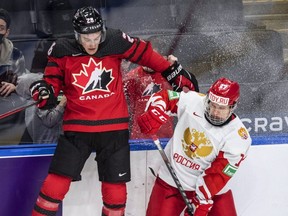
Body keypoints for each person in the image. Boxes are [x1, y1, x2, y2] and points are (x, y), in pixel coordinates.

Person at [29, 6, 198, 216]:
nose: (92, 43)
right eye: (86, 38)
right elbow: (51, 84)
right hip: (77, 129)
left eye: (96, 37)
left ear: (102, 31)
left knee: (115, 194)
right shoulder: (62, 50)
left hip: (114, 130)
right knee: (55, 184)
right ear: (76, 35)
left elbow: (145, 54)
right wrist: (44, 93)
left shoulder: (116, 41)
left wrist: (170, 69)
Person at [137, 77, 252, 216]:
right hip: (172, 182)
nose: (215, 112)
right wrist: (155, 111)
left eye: (221, 108)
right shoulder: (193, 101)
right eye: (212, 105)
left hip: (212, 191)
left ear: (232, 106)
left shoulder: (238, 137)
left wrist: (201, 199)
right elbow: (165, 97)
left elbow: (218, 174)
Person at [16, 73, 66, 144]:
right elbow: (49, 120)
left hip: (45, 144)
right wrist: (61, 105)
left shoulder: (29, 102)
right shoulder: (38, 101)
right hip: (47, 145)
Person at [0, 8, 27, 97]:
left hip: (7, 106)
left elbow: (23, 83)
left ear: (7, 32)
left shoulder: (16, 55)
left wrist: (14, 87)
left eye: (1, 28)